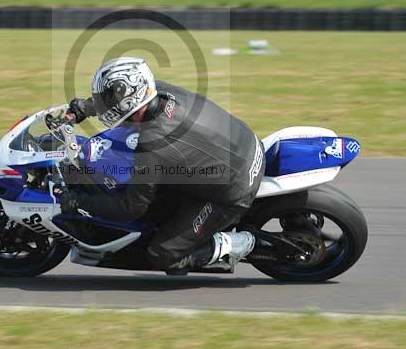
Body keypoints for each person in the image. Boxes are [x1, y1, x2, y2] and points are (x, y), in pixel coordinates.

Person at [56, 56, 263, 273]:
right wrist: (86, 107)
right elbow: (124, 103)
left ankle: (236, 244)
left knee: (163, 254)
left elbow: (131, 208)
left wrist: (79, 202)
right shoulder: (160, 91)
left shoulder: (151, 144)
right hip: (246, 143)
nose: (102, 103)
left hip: (235, 189)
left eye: (105, 98)